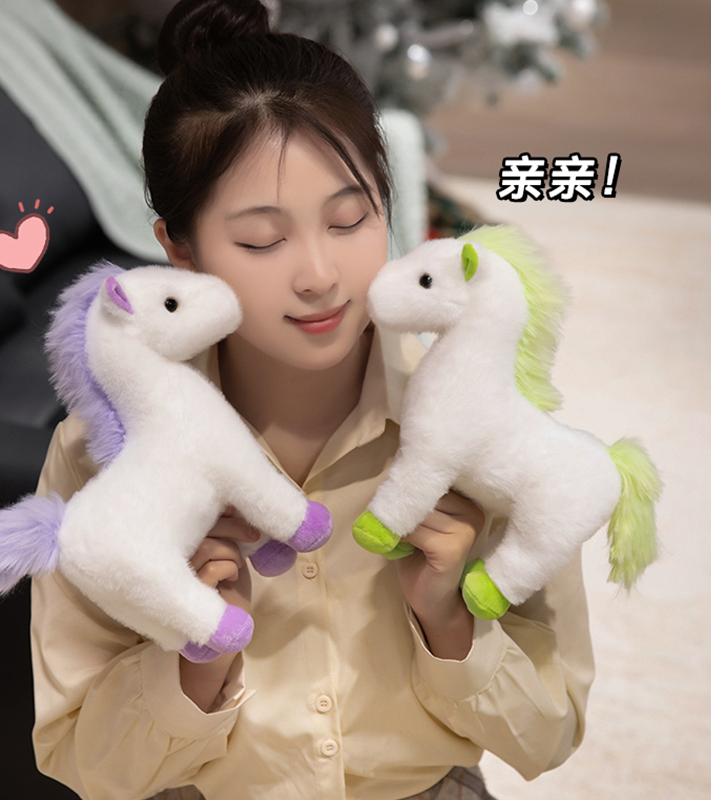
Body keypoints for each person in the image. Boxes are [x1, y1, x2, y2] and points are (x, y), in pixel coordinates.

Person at [29, 2, 595, 799]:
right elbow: (81, 759)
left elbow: (551, 731)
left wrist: (451, 622)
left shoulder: (491, 431)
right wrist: (197, 664)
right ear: (179, 249)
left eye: (350, 219)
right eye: (263, 240)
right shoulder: (98, 459)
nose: (321, 276)